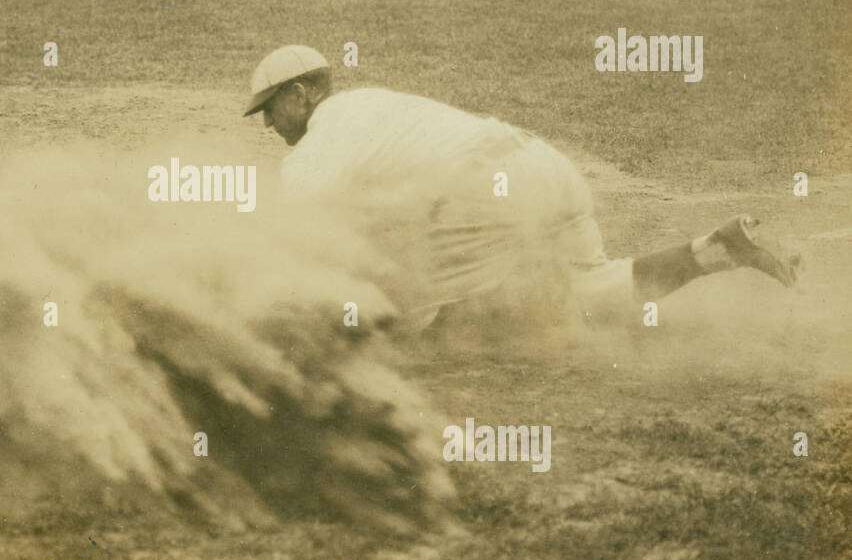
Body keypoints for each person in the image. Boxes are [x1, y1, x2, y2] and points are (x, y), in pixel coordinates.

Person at [242, 46, 798, 327]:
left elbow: (294, 233)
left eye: (270, 110)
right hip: (543, 165)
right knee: (590, 296)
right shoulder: (373, 102)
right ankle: (717, 249)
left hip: (486, 193)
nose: (269, 125)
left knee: (394, 312)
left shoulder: (321, 141)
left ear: (300, 93)